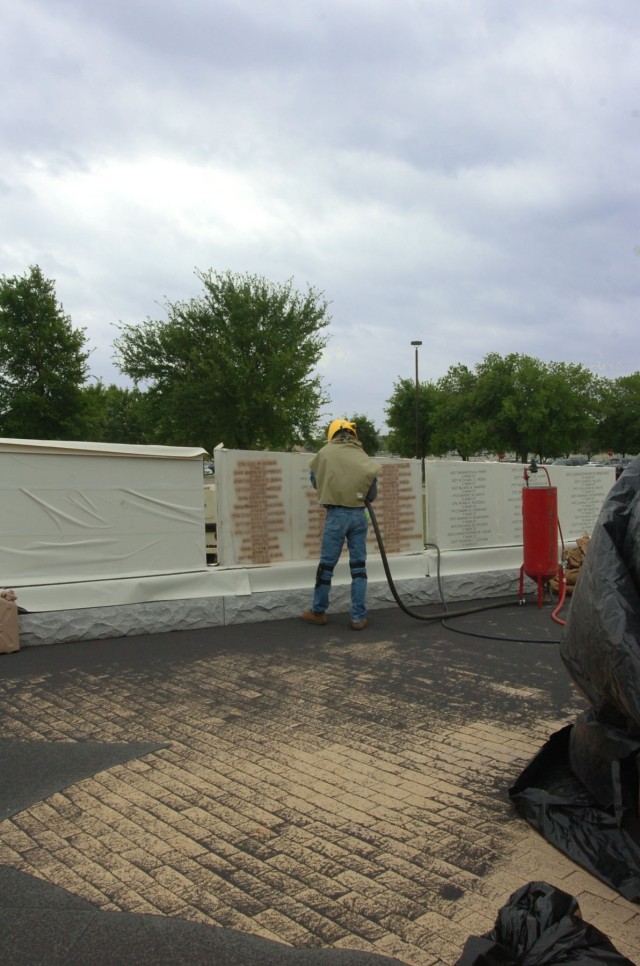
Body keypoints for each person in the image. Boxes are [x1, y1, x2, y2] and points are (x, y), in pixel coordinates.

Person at [303, 419, 381, 630]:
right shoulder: (362, 456)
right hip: (358, 515)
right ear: (353, 434)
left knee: (327, 566)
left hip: (336, 515)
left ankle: (318, 612)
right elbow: (372, 493)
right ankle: (358, 617)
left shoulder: (324, 454)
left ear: (332, 434)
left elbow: (315, 481)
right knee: (358, 567)